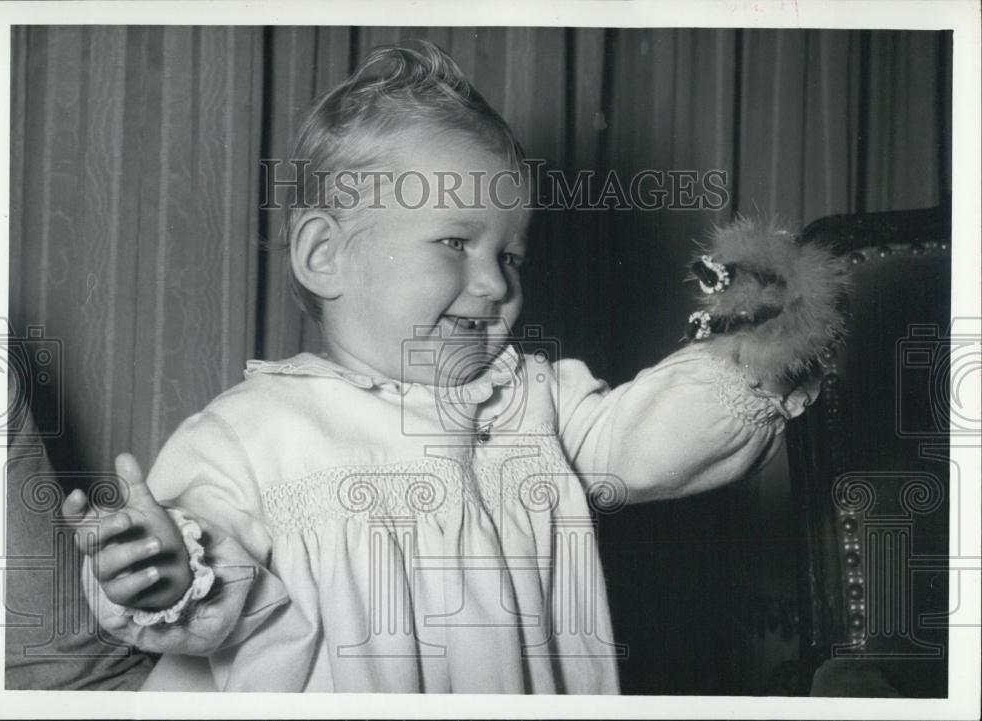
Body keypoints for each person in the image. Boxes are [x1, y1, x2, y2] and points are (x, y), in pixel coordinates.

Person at [60, 40, 820, 693]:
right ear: (324, 254)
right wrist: (166, 571)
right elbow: (205, 574)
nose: (495, 283)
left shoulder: (532, 402)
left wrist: (759, 355)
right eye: (456, 243)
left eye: (511, 256)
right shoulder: (252, 434)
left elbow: (647, 437)